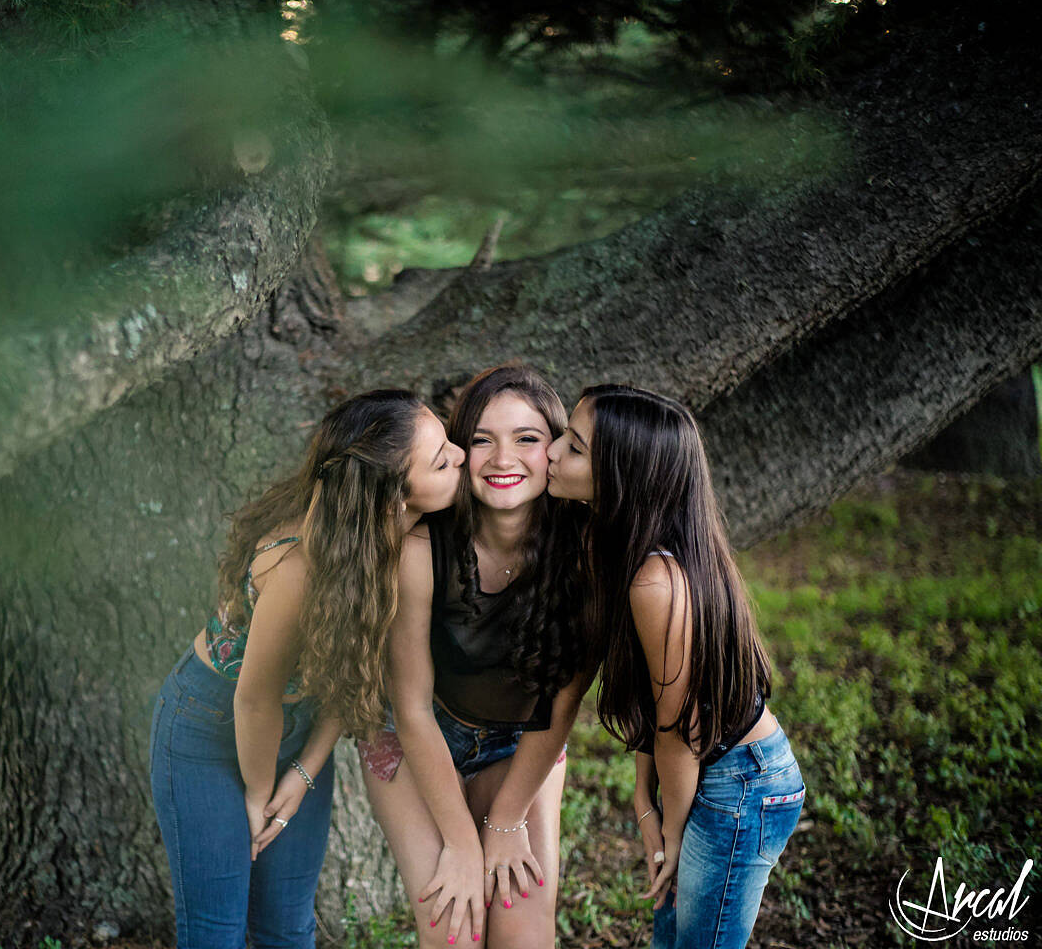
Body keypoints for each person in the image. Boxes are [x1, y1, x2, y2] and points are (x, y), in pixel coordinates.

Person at [149, 388, 466, 949]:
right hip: (210, 725)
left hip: (298, 730)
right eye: (442, 459)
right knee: (216, 933)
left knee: (287, 929)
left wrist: (303, 773)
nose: (461, 456)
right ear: (391, 493)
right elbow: (254, 701)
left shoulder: (399, 539)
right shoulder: (301, 566)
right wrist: (258, 792)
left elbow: (349, 682)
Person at [545, 384, 805, 949]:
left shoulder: (656, 581)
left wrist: (671, 827)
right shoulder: (621, 546)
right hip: (701, 769)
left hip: (739, 783)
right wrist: (644, 800)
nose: (551, 450)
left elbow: (679, 728)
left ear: (622, 475)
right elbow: (653, 696)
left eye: (574, 446)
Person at [359, 366, 589, 949]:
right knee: (453, 932)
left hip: (522, 742)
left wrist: (506, 821)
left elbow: (562, 705)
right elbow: (409, 707)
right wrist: (463, 842)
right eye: (482, 438)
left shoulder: (587, 552)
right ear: (460, 451)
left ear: (557, 449)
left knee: (524, 935)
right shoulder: (421, 544)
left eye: (527, 439)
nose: (501, 457)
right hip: (418, 739)